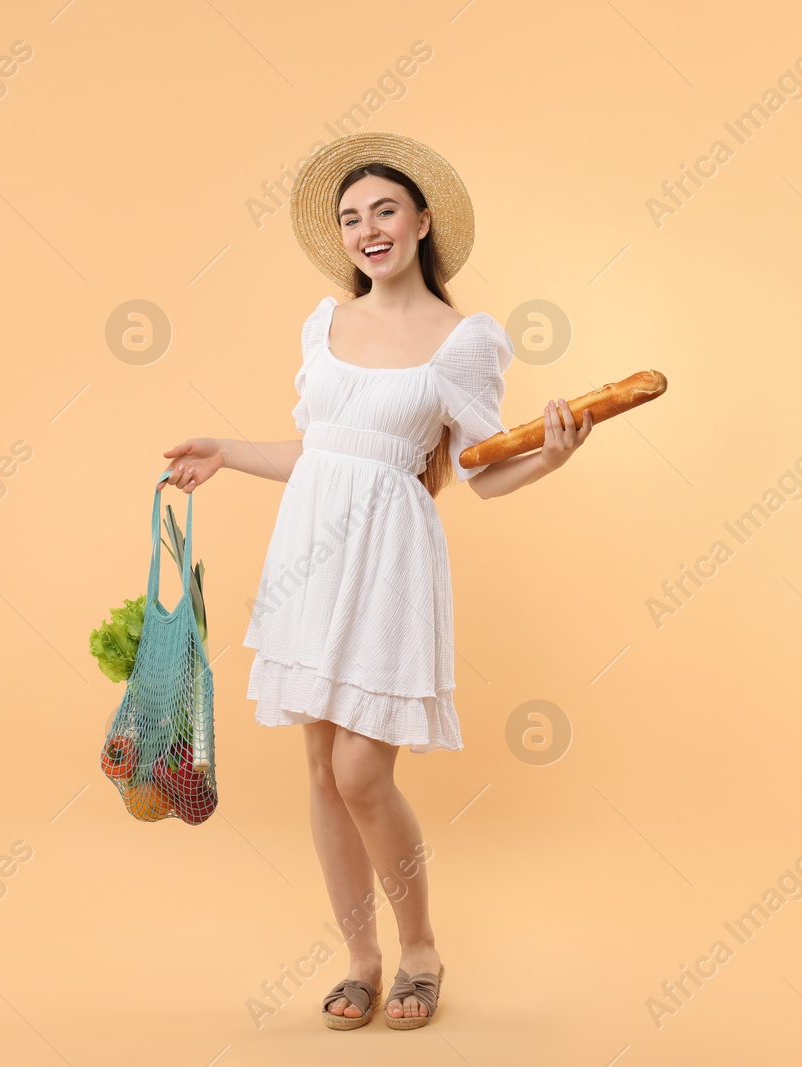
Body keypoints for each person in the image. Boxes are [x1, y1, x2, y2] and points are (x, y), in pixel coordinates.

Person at [160, 133, 592, 1030]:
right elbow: (325, 453)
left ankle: (422, 946)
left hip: (390, 562)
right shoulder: (324, 323)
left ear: (423, 220)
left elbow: (479, 471)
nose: (368, 230)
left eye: (384, 210)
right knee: (320, 769)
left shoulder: (463, 339)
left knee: (362, 771)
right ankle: (361, 958)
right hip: (308, 555)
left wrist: (549, 458)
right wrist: (226, 453)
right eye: (351, 218)